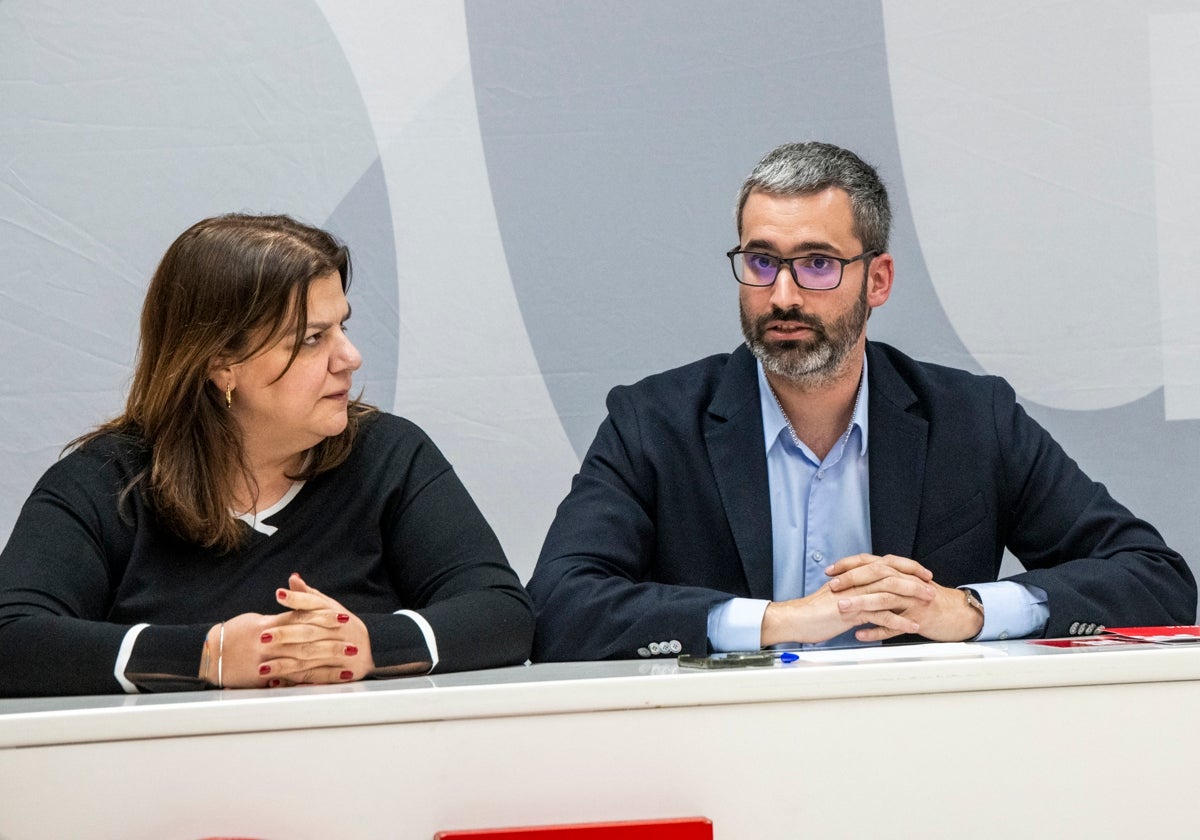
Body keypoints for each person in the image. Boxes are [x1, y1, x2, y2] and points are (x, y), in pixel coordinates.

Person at [528, 141, 1196, 661]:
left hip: (918, 751)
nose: (783, 294)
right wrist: (777, 621)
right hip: (723, 746)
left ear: (877, 279)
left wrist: (967, 611)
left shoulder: (970, 418)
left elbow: (1156, 580)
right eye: (761, 261)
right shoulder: (653, 424)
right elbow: (560, 606)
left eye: (816, 263)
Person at [0, 213, 533, 696]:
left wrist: (366, 644)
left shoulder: (390, 455)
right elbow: (12, 636)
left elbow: (504, 612)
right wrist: (208, 656)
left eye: (342, 327)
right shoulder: (107, 482)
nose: (350, 357)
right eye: (311, 339)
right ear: (221, 365)